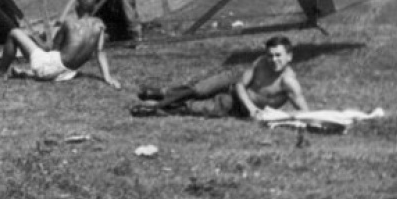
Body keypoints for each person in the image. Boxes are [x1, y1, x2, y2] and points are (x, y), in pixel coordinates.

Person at [131, 35, 310, 119]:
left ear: (290, 56)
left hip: (236, 104)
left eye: (278, 55)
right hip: (235, 84)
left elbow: (305, 111)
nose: (273, 60)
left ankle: (154, 109)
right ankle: (160, 93)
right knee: (199, 89)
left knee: (196, 108)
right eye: (271, 55)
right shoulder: (261, 61)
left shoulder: (289, 83)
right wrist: (252, 109)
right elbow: (240, 84)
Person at [0, 0, 120, 88]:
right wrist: (107, 77)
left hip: (50, 68)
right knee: (39, 54)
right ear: (93, 7)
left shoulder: (69, 23)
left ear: (77, 5)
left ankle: (1, 72)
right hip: (67, 73)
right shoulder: (99, 25)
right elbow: (100, 52)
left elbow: (53, 49)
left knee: (15, 33)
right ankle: (26, 72)